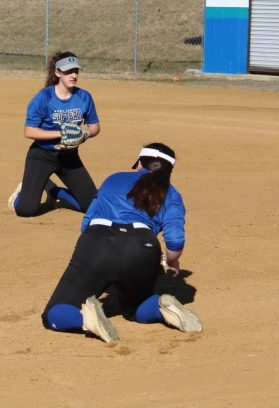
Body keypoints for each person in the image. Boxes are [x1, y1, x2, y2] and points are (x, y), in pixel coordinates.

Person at [41, 143, 202, 343]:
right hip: (143, 248)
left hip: (98, 240)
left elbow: (87, 222)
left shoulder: (115, 178)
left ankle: (85, 319)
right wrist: (171, 261)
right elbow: (175, 241)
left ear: (139, 164)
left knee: (54, 312)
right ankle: (160, 307)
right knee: (137, 308)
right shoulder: (172, 194)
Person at [8, 51, 100, 217]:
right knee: (25, 210)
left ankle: (54, 191)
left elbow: (95, 127)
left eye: (76, 71)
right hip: (42, 155)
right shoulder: (44, 97)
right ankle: (23, 194)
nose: (73, 75)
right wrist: (62, 133)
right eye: (68, 71)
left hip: (69, 157)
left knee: (93, 206)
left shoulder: (84, 97)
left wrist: (85, 134)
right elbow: (29, 131)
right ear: (58, 72)